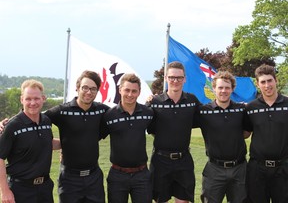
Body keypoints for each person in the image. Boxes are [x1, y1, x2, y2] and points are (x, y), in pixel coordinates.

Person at [44, 70, 110, 203]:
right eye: (85, 87)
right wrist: (5, 123)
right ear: (77, 87)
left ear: (97, 91)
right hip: (69, 179)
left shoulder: (103, 110)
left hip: (94, 178)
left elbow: (123, 113)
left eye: (93, 89)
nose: (88, 92)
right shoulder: (62, 111)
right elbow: (34, 117)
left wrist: (150, 101)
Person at [146, 61, 200, 203]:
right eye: (172, 77)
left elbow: (210, 114)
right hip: (160, 161)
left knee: (183, 201)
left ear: (185, 79)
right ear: (166, 78)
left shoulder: (192, 101)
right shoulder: (155, 102)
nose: (175, 81)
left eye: (179, 78)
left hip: (184, 161)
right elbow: (147, 125)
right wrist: (147, 102)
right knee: (159, 200)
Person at [0, 79, 61, 203]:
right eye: (28, 99)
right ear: (22, 99)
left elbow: (47, 143)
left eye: (36, 98)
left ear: (43, 98)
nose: (32, 103)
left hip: (45, 188)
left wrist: (69, 143)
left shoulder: (46, 121)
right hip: (20, 189)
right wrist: (5, 191)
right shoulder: (12, 126)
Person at [194, 71, 249, 203]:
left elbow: (247, 133)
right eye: (220, 87)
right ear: (214, 89)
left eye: (227, 87)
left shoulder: (241, 109)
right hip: (214, 169)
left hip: (239, 169)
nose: (223, 91)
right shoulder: (203, 111)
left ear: (232, 89)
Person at [102, 73, 154, 203]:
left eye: (134, 91)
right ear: (120, 90)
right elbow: (91, 138)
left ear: (139, 92)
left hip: (141, 175)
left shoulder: (148, 113)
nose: (130, 94)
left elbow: (159, 132)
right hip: (117, 175)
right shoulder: (109, 115)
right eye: (127, 90)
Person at [245, 64, 288, 203]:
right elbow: (245, 133)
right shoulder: (251, 108)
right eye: (263, 82)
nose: (267, 85)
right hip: (257, 169)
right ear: (258, 84)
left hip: (283, 169)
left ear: (276, 80)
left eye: (270, 80)